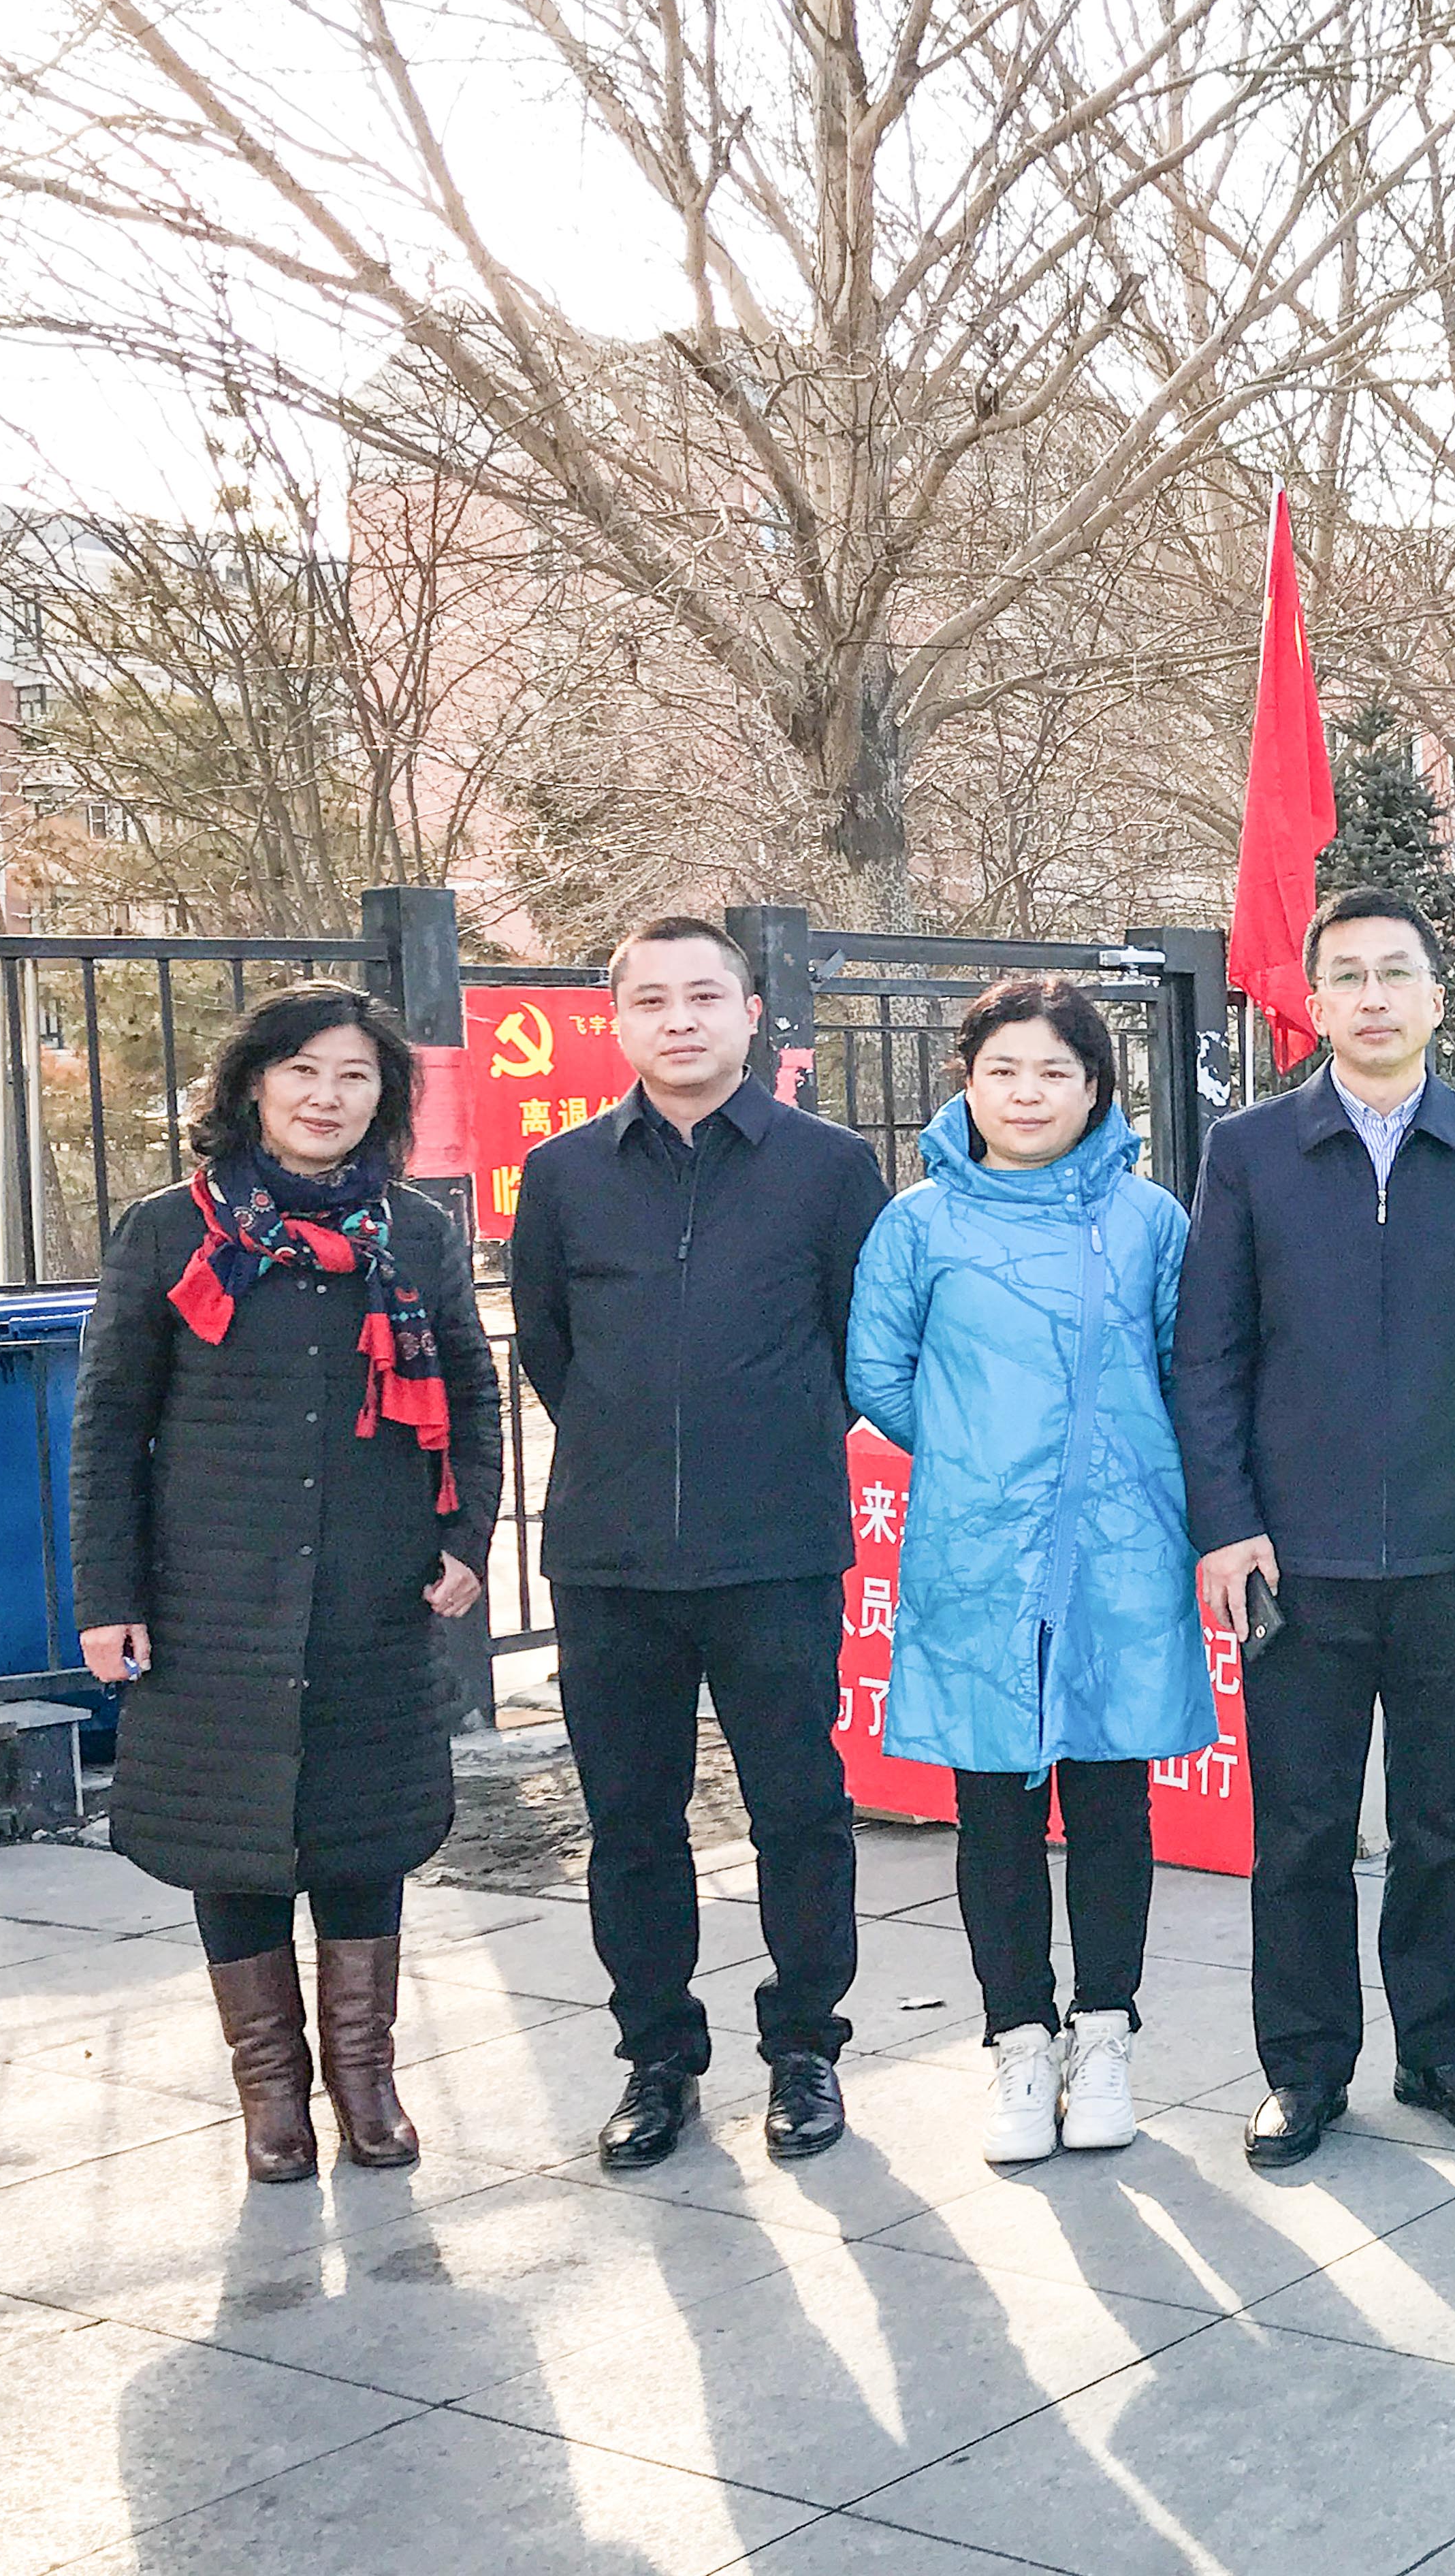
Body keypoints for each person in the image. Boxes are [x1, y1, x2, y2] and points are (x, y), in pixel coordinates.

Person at [71, 983, 504, 2184]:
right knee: (235, 1841)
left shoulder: (414, 1231)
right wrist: (108, 1597)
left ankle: (365, 2078)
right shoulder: (173, 1229)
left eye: (355, 1076)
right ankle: (271, 2095)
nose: (328, 1097)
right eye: (304, 1071)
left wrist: (465, 1535)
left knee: (361, 1834)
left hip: (371, 1585)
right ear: (254, 1085)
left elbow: (469, 1393)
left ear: (386, 1097)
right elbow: (110, 1422)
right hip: (210, 1590)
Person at [1177, 887, 1455, 2169]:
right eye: (1350, 976)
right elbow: (1210, 1356)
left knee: (1448, 1823)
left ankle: (1444, 2046)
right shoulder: (1251, 1152)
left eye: (1399, 973)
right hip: (1298, 1559)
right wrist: (1225, 1524)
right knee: (1301, 1827)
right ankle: (1302, 2067)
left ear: (1437, 998)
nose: (1376, 997)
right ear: (1316, 1001)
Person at [512, 915, 893, 2172]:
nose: (680, 1021)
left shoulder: (829, 1169)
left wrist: (766, 1436)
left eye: (705, 996)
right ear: (615, 1020)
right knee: (630, 1820)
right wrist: (637, 1444)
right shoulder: (565, 1174)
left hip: (775, 1542)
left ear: (750, 1013)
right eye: (652, 1001)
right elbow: (550, 1346)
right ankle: (658, 2060)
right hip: (611, 1554)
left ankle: (806, 2051)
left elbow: (858, 1344)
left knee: (800, 1809)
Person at [846, 979, 1215, 2163]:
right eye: (1004, 1069)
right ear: (967, 1080)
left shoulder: (1151, 1220)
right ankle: (1016, 2041)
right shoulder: (919, 1224)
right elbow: (879, 1373)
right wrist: (980, 1454)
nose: (1028, 1093)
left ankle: (1105, 2035)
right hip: (978, 1546)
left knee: (1112, 1797)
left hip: (1119, 1547)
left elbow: (1181, 1369)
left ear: (1098, 1090)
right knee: (993, 1808)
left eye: (1056, 1072)